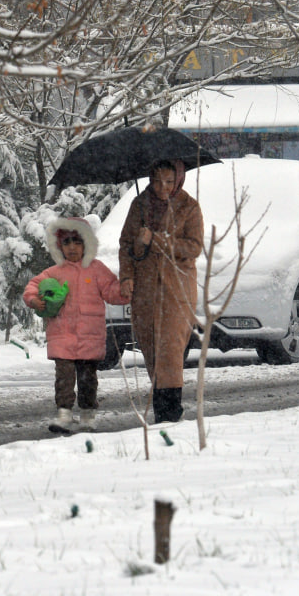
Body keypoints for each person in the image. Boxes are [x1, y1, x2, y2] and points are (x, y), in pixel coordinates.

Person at [118, 158, 204, 423]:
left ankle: (170, 413)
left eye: (169, 181)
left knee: (169, 350)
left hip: (176, 290)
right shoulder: (139, 205)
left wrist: (156, 240)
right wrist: (126, 276)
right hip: (145, 290)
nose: (163, 187)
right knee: (152, 350)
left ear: (178, 179)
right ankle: (161, 412)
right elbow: (126, 245)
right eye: (157, 181)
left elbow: (193, 247)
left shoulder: (189, 206)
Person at [24, 217, 129, 431]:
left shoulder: (97, 270)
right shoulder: (54, 272)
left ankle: (88, 415)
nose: (72, 247)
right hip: (62, 336)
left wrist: (125, 291)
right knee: (64, 378)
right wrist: (34, 299)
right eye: (67, 242)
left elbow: (111, 291)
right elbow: (33, 285)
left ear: (87, 244)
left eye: (77, 242)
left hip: (90, 338)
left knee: (88, 379)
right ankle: (64, 414)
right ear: (59, 246)